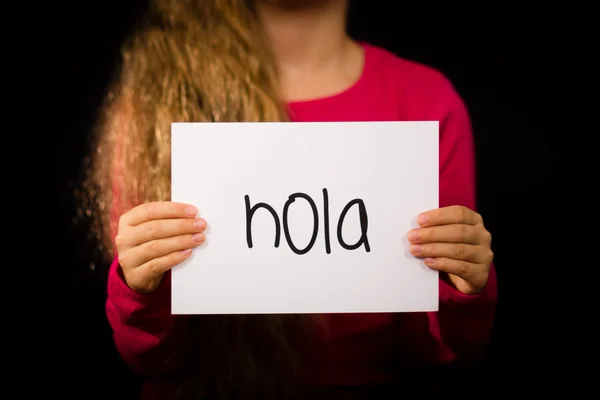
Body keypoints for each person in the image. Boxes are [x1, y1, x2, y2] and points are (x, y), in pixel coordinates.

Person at [81, 0, 497, 399]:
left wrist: (465, 286)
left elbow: (445, 355)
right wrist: (138, 286)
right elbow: (149, 357)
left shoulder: (427, 101)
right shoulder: (159, 96)